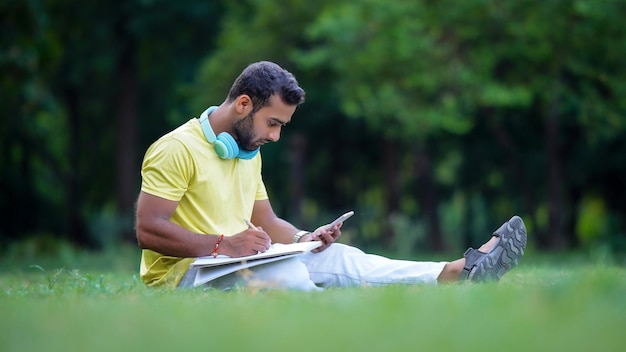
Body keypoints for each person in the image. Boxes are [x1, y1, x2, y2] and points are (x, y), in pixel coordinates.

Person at [135, 61, 527, 290]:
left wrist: (306, 238)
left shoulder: (246, 151)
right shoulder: (177, 148)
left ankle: (457, 272)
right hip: (184, 275)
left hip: (234, 261)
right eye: (272, 122)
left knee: (342, 257)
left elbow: (266, 221)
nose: (275, 135)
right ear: (242, 105)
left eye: (282, 125)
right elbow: (149, 230)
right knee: (289, 274)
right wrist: (225, 245)